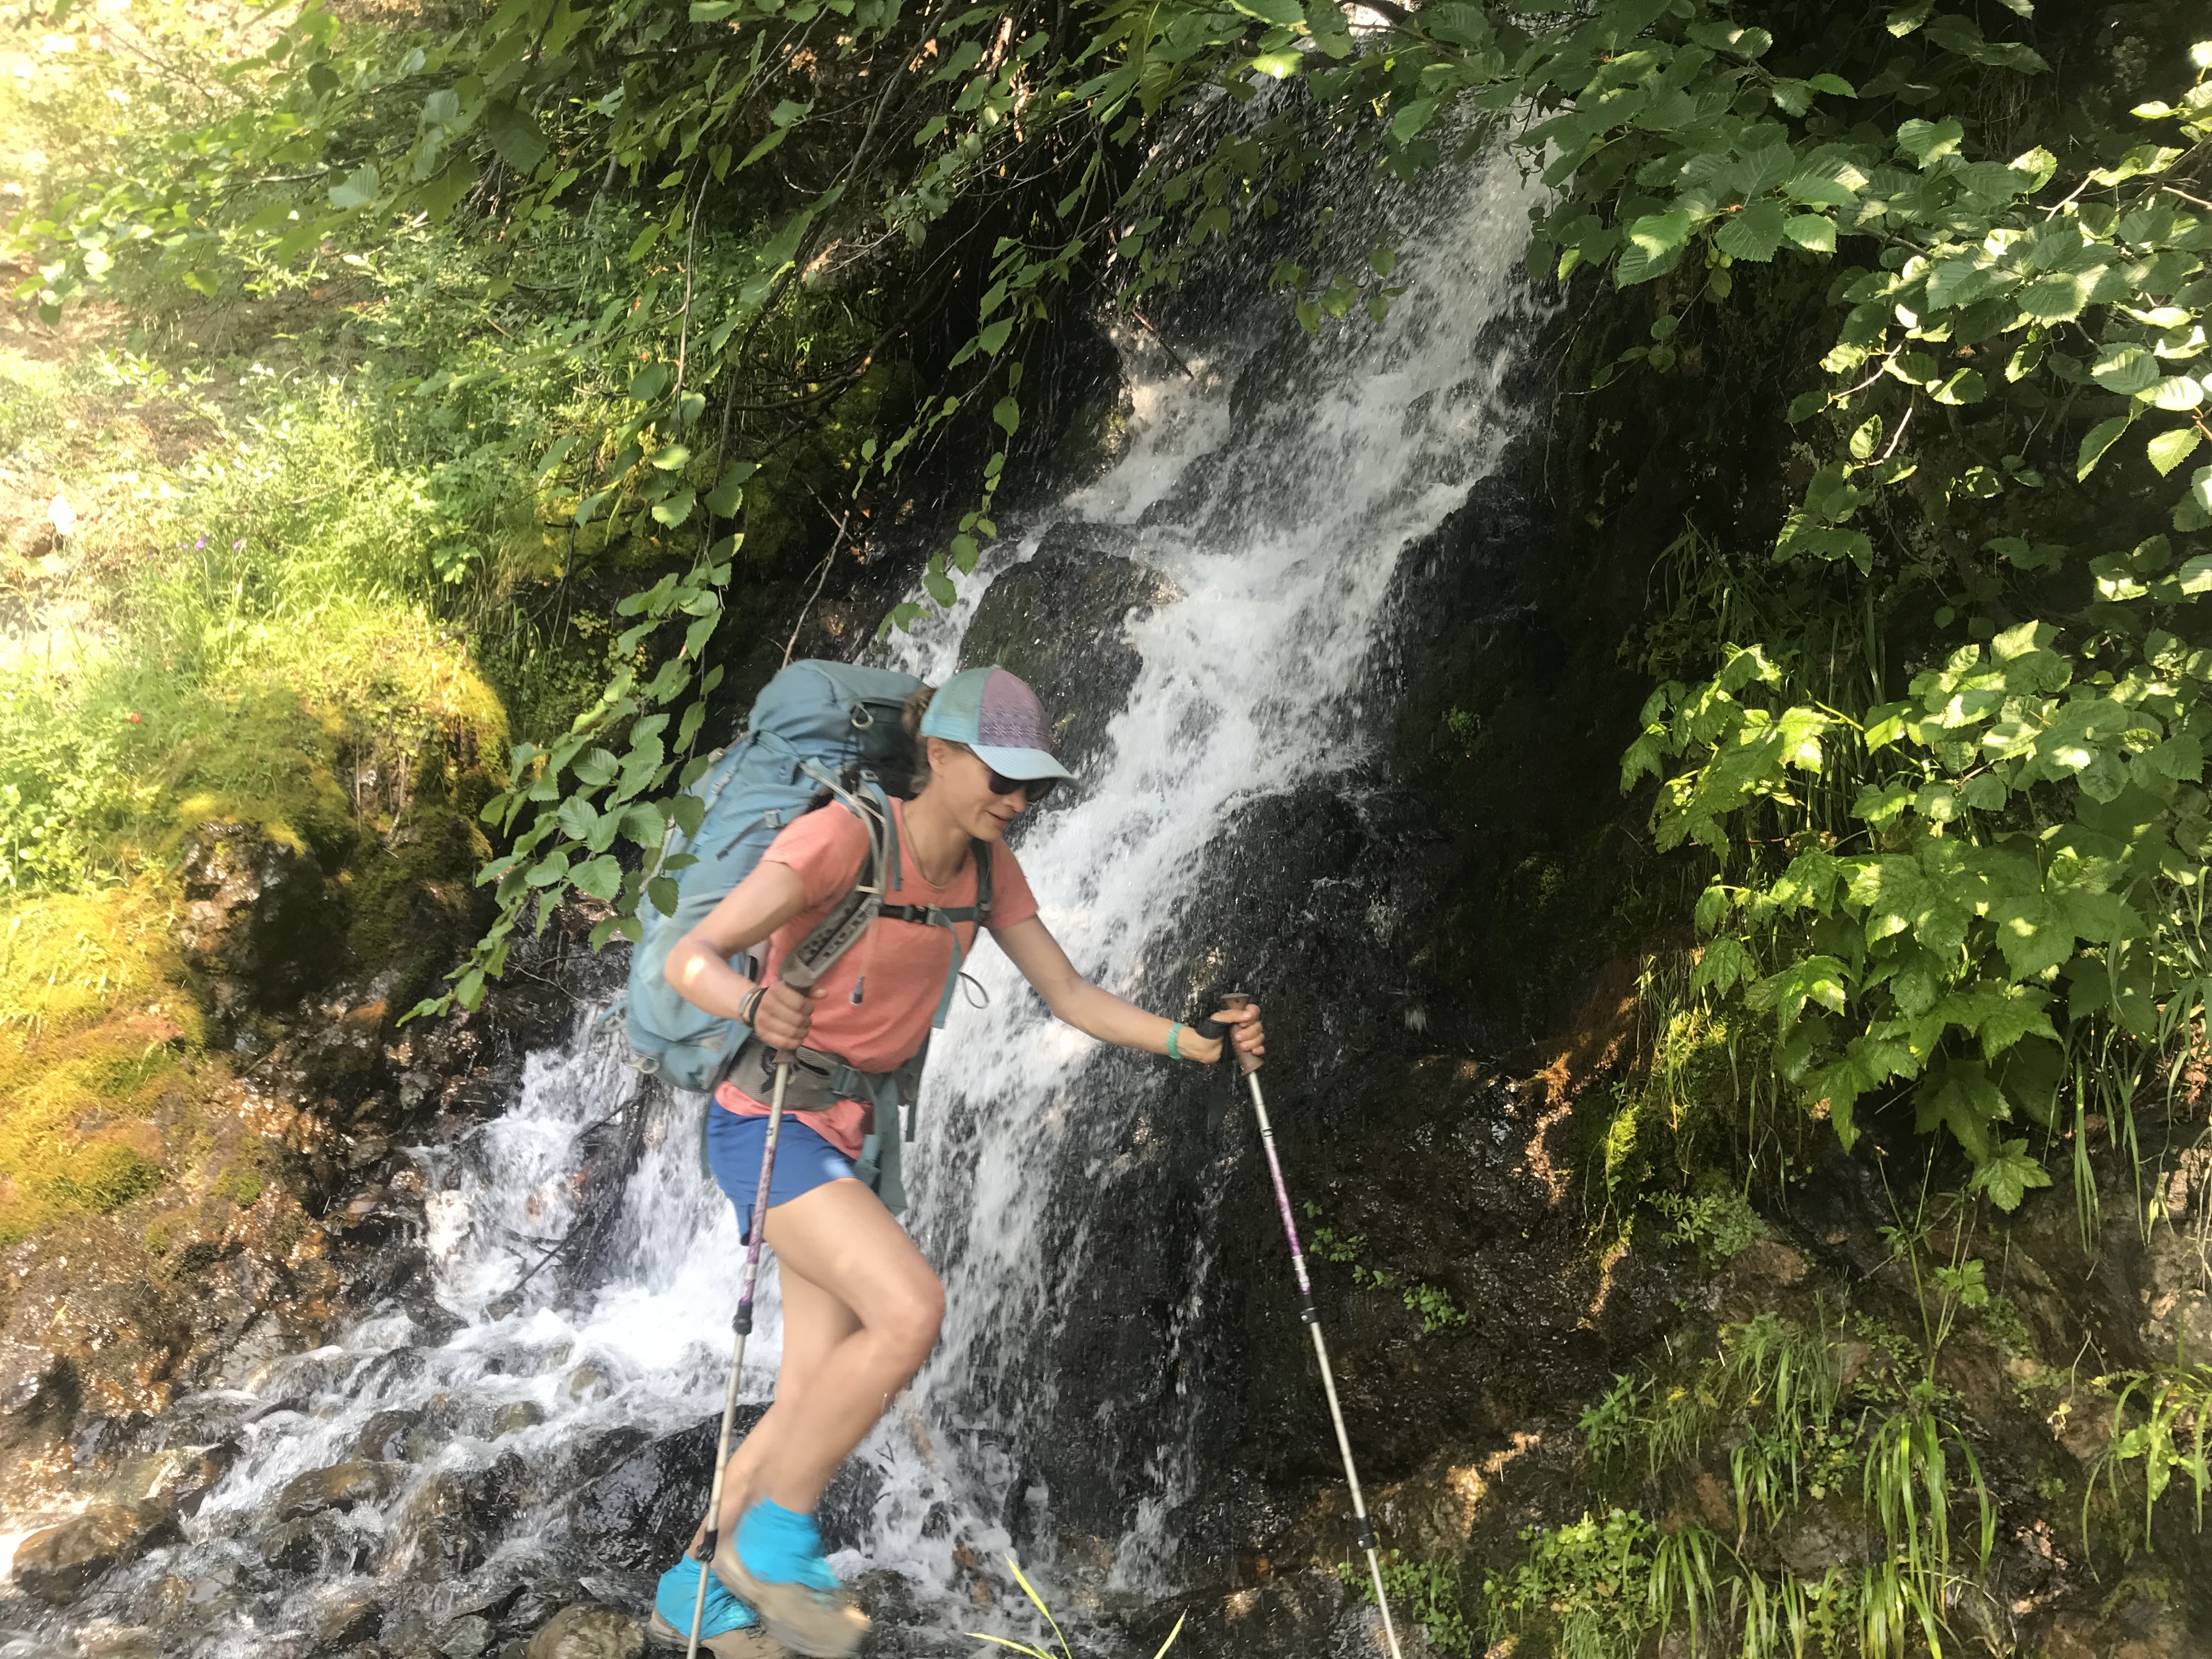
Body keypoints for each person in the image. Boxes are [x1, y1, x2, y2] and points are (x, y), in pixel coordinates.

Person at [647, 664, 1263, 1658]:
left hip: (849, 1136)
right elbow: (694, 957)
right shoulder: (842, 838)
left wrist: (1195, 1045)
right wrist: (750, 1003)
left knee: (814, 1388)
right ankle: (774, 1540)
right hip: (764, 1122)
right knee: (911, 1310)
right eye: (1000, 778)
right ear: (937, 754)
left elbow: (1069, 994)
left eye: (1032, 789)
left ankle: (695, 1581)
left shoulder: (985, 874)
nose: (1015, 803)